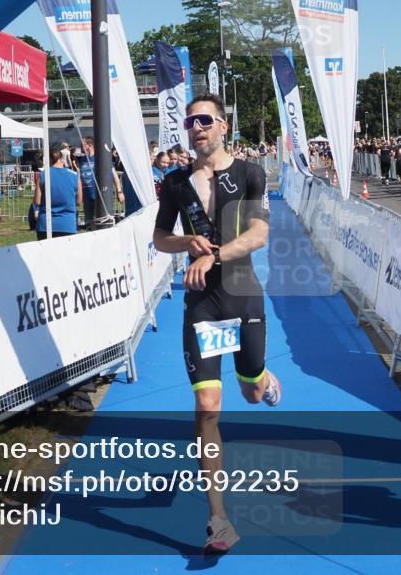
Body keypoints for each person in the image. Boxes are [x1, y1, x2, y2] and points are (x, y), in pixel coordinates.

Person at [152, 92, 280, 555]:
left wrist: (215, 257)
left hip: (243, 295)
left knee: (248, 389)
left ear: (223, 125)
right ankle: (218, 519)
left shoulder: (249, 174)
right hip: (202, 305)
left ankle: (261, 375)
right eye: (189, 123)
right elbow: (159, 239)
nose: (196, 128)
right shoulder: (174, 183)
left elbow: (260, 234)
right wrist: (185, 242)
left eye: (205, 120)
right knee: (208, 406)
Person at [33, 146, 83, 240]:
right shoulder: (75, 176)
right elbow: (79, 201)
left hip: (46, 224)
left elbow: (37, 201)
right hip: (67, 224)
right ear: (61, 158)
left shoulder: (43, 175)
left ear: (49, 160)